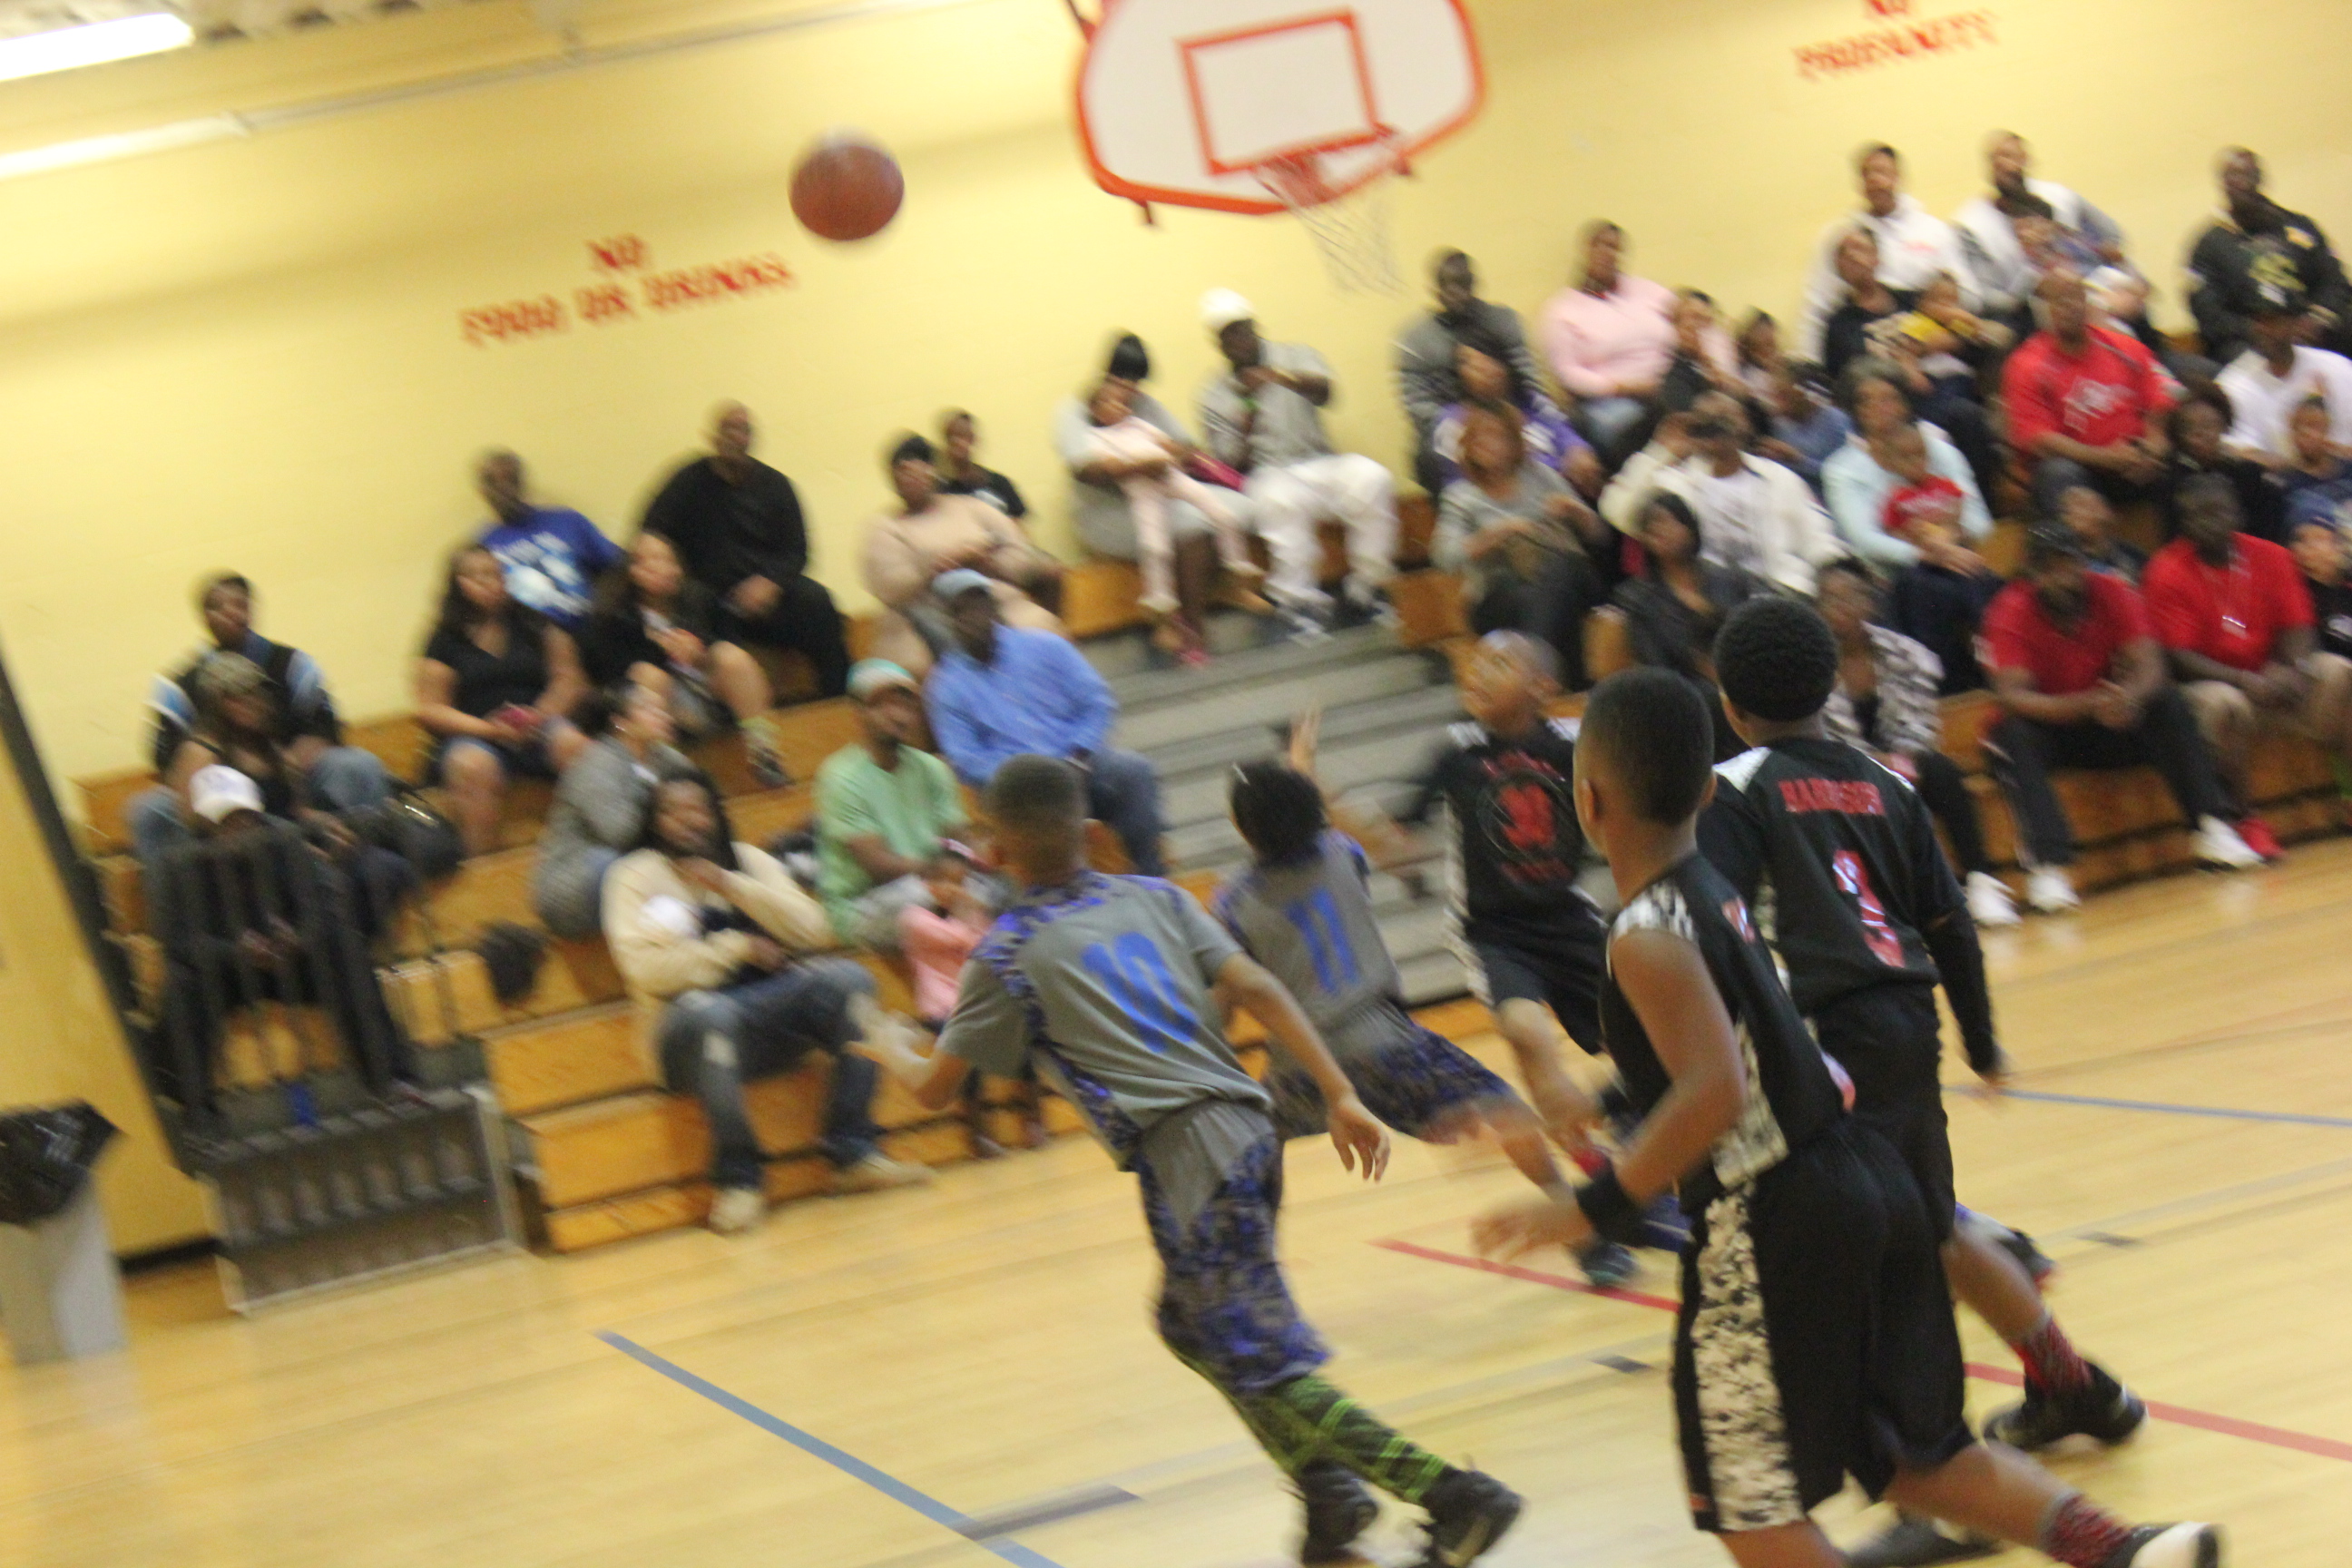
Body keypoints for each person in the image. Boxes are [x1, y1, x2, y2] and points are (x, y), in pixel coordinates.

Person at [1472, 668, 2222, 1568]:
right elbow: (1755, 1054)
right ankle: (2130, 1549)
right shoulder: (1718, 895)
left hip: (1772, 1217)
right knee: (1919, 1457)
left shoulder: (1644, 932)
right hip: (1865, 1176)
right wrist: (1599, 1104)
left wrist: (1593, 1207)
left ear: (1587, 803)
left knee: (1750, 1506)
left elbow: (1716, 1089)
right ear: (1708, 790)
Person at [856, 754, 1524, 1567]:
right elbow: (1262, 991)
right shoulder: (1158, 897)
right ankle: (1326, 1492)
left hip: (1186, 1155)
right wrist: (1340, 1093)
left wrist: (889, 1044)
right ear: (1091, 832)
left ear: (993, 851)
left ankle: (1454, 1497)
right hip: (1246, 1127)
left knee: (1261, 1360)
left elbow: (934, 1090)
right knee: (1187, 1323)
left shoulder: (1005, 955)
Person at [1703, 603, 2162, 1568]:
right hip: (1908, 1025)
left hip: (1822, 1046)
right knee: (1932, 1225)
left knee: (1877, 1257)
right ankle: (2068, 1386)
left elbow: (1722, 934)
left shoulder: (1734, 792)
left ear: (1728, 701)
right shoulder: (1884, 780)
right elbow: (1949, 922)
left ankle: (1938, 1485)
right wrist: (1982, 1041)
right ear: (1832, 683)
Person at [1219, 737, 1635, 1257]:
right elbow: (1342, 830)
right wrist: (1305, 772)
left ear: (1242, 827)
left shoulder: (1233, 901)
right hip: (1382, 1044)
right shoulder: (1341, 855)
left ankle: (1250, 1258)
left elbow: (1227, 995)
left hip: (1299, 1066)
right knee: (1506, 1109)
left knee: (1253, 1145)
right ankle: (1586, 1231)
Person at [1396, 633, 1638, 1286]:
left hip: (1569, 920)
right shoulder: (1456, 751)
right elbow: (1397, 838)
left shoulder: (1575, 745)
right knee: (1528, 1035)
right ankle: (1585, 1222)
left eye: (1499, 663)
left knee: (1640, 1046)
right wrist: (1324, 800)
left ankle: (1632, 1157)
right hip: (1495, 931)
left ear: (1540, 686)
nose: (1477, 671)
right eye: (1474, 662)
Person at [604, 774, 933, 1235]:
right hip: (683, 1035)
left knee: (850, 980)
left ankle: (854, 1152)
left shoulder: (747, 861)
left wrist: (731, 885)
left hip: (761, 1018)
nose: (685, 821)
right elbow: (646, 971)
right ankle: (739, 1181)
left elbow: (813, 929)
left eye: (695, 809)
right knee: (711, 1013)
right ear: (654, 822)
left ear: (715, 814)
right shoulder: (633, 877)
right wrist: (737, 947)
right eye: (670, 812)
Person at [1980, 526, 2260, 915]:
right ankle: (2048, 868)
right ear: (2032, 572)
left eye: (2069, 564)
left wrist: (2129, 698)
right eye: (2050, 568)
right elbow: (2013, 697)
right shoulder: (2010, 609)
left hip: (2110, 719)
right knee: (2011, 735)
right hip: (2054, 729)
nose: (2063, 577)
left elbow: (2151, 663)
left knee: (2167, 702)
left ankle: (2212, 827)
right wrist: (2088, 704)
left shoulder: (2112, 591)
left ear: (2082, 563)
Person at [147, 766, 416, 1129]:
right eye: (224, 822)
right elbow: (179, 942)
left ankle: (391, 1078)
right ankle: (195, 1115)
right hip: (228, 974)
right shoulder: (178, 862)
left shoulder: (286, 840)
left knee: (345, 950)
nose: (236, 830)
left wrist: (298, 938)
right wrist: (235, 952)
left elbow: (327, 904)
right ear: (204, 826)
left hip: (294, 961)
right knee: (182, 987)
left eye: (242, 818)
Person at [137, 654, 416, 940]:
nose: (249, 702)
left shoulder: (271, 748)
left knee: (386, 868)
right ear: (216, 704)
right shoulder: (200, 755)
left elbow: (298, 810)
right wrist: (296, 849)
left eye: (253, 693)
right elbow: (200, 831)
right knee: (327, 884)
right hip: (247, 866)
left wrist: (329, 826)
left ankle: (360, 944)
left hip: (292, 848)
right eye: (234, 697)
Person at [2145, 475, 2352, 857]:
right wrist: (2244, 679)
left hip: (2274, 678)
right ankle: (2246, 821)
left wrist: (2296, 668)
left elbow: (2299, 628)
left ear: (2237, 514)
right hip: (2211, 685)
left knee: (2338, 672)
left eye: (2217, 512)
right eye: (2195, 516)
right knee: (2224, 702)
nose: (2207, 523)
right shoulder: (2166, 570)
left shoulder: (2271, 556)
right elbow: (2180, 658)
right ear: (2184, 522)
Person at [1814, 560, 2019, 927]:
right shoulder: (1810, 667)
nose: (1840, 607)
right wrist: (1874, 764)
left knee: (1942, 772)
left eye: (1850, 597)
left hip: (1905, 765)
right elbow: (1821, 743)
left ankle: (1980, 881)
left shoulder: (1907, 654)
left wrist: (1898, 762)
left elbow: (1921, 728)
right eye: (1830, 599)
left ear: (1870, 602)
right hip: (1840, 776)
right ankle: (1872, 908)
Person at [923, 573, 1167, 876]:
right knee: (1028, 811)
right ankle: (1064, 889)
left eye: (977, 606)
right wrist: (1033, 775)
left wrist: (1079, 753)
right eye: (957, 611)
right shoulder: (945, 686)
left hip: (1079, 766)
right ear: (945, 621)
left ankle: (1151, 878)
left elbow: (1096, 701)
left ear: (994, 609)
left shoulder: (1047, 647)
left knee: (1131, 771)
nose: (969, 618)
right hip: (1017, 789)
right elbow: (966, 759)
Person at [137, 573, 393, 850]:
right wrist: (226, 780)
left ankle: (374, 850)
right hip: (217, 788)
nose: (230, 613)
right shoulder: (177, 685)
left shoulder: (293, 664)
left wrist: (283, 770)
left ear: (251, 608)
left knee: (357, 764)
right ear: (204, 616)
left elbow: (325, 727)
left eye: (239, 604)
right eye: (217, 607)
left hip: (292, 774)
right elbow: (166, 759)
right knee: (149, 808)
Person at [1197, 289, 1397, 639]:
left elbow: (1327, 394)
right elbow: (1229, 466)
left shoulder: (1295, 355)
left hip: (1320, 461)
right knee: (1280, 502)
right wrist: (1245, 426)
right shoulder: (1213, 395)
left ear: (1256, 328)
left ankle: (1368, 588)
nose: (1239, 341)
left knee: (1372, 477)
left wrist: (1279, 378)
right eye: (1229, 336)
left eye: (1243, 330)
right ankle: (1298, 603)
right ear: (1219, 344)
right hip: (1269, 474)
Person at [642, 402, 850, 700]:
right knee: (698, 606)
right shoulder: (685, 483)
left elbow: (798, 551)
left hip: (768, 599)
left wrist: (770, 582)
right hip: (709, 600)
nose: (734, 437)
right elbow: (650, 534)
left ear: (751, 438)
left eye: (742, 430)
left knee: (817, 602)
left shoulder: (776, 485)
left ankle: (838, 698)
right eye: (727, 429)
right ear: (711, 437)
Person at [1057, 334, 1242, 647]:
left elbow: (1185, 447)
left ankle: (1230, 587)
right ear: (1108, 374)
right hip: (1106, 512)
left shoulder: (1144, 405)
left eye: (1137, 384)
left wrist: (1175, 455)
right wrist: (1139, 466)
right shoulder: (1074, 409)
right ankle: (1189, 630)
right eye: (1125, 382)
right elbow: (1086, 470)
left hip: (1157, 493)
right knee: (1190, 530)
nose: (1132, 392)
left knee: (1225, 511)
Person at [415, 544, 590, 858]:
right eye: (476, 576)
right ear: (457, 584)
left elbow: (569, 678)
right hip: (474, 735)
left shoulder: (535, 623)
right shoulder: (443, 640)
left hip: (537, 725)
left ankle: (590, 845)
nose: (488, 583)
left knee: (574, 745)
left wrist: (539, 715)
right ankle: (482, 866)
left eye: (494, 574)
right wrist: (490, 730)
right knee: (473, 766)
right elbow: (431, 709)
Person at [575, 531, 788, 788]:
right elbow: (613, 675)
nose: (662, 568)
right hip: (660, 708)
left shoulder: (700, 598)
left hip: (709, 696)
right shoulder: (614, 616)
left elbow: (734, 643)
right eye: (652, 561)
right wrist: (658, 650)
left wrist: (699, 655)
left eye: (667, 560)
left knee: (729, 657)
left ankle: (764, 752)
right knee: (649, 675)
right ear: (633, 571)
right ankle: (667, 777)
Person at [1072, 380, 1264, 641]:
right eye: (1109, 403)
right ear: (1095, 410)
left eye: (1122, 402)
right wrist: (1144, 464)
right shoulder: (1096, 438)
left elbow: (1170, 446)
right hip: (1143, 490)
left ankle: (1237, 570)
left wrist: (1174, 455)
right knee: (1155, 547)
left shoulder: (1137, 424)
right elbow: (1111, 465)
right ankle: (1161, 603)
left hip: (1171, 477)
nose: (1119, 407)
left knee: (1223, 515)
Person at [858, 433, 1065, 675]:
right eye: (902, 473)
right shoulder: (885, 529)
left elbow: (1020, 557)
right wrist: (938, 567)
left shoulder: (972, 508)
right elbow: (891, 588)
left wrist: (984, 561)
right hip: (927, 616)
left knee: (1043, 631)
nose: (910, 479)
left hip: (996, 601)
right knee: (915, 663)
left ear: (933, 471)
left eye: (917, 471)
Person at [1433, 406, 1609, 686]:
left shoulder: (1540, 475)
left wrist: (1575, 510)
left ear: (1514, 442)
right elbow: (1444, 557)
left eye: (1497, 436)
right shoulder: (1461, 496)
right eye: (1478, 439)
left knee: (1558, 573)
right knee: (1532, 597)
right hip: (1500, 593)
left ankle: (1534, 680)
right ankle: (1566, 683)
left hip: (1562, 575)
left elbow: (1599, 535)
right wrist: (1493, 536)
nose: (1488, 445)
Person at [1601, 393, 1838, 594]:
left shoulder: (1779, 478)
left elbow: (1819, 539)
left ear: (1745, 425)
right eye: (1707, 422)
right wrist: (1661, 452)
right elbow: (1617, 511)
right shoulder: (1675, 485)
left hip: (1784, 590)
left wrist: (1835, 578)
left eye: (1726, 419)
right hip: (1711, 600)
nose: (1717, 428)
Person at [897, 843, 1042, 1160]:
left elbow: (992, 947)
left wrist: (973, 916)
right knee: (966, 1062)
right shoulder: (913, 918)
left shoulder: (971, 912)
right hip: (942, 1008)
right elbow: (963, 940)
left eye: (961, 882)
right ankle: (980, 1133)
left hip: (980, 1002)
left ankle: (1032, 1118)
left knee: (1024, 1038)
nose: (956, 889)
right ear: (928, 884)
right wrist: (970, 912)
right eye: (946, 882)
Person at [815, 660, 972, 951]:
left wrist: (956, 867)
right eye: (883, 705)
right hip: (865, 903)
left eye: (905, 705)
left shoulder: (932, 769)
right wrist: (938, 874)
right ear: (859, 712)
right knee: (920, 902)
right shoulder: (840, 777)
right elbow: (877, 866)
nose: (898, 714)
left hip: (933, 883)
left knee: (1000, 892)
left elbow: (959, 839)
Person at [1543, 220, 1731, 459]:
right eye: (1600, 245)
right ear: (1585, 250)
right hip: (1615, 400)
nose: (1607, 253)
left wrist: (1712, 364)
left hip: (1677, 380)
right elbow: (1568, 374)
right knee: (1663, 427)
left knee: (1728, 412)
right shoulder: (1562, 311)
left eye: (1614, 247)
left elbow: (1703, 320)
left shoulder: (1648, 292)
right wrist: (1625, 387)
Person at [2004, 271, 2176, 517]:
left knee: (2187, 450)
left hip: (2137, 459)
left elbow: (2160, 400)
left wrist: (2155, 444)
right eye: (2059, 300)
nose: (2070, 306)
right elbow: (2039, 440)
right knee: (2057, 472)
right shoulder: (2025, 365)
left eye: (2076, 297)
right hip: (2081, 468)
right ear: (2042, 310)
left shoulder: (2124, 346)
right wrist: (2103, 457)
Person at [533, 686, 697, 940]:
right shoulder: (595, 764)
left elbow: (703, 804)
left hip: (628, 871)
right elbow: (622, 833)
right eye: (648, 709)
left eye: (662, 709)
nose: (662, 715)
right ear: (622, 723)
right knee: (624, 865)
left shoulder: (667, 759)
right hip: (573, 888)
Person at [1610, 493, 1767, 757]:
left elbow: (1750, 635)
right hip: (1684, 692)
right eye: (1650, 526)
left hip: (1739, 675)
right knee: (1710, 697)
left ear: (1690, 527)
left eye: (1666, 521)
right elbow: (1656, 668)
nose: (1659, 530)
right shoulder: (1638, 598)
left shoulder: (1730, 581)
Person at [1797, 144, 1978, 364]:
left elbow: (1966, 291)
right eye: (1867, 173)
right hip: (1868, 342)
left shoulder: (1934, 231)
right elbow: (1817, 305)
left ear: (1898, 177)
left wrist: (1942, 317)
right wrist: (1809, 362)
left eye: (1882, 171)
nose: (1875, 179)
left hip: (1931, 336)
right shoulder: (1842, 238)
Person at [1396, 249, 1552, 491]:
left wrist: (1522, 418)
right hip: (1450, 422)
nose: (1456, 293)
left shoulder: (1502, 321)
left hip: (1511, 411)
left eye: (1463, 284)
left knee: (1558, 441)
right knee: (1430, 458)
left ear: (1475, 284)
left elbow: (1530, 383)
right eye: (1448, 286)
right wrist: (1468, 423)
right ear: (1434, 290)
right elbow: (1417, 406)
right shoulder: (1415, 339)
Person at [1821, 359, 1994, 573]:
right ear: (1854, 411)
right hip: (1891, 573)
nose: (1879, 408)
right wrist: (1924, 555)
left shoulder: (1941, 451)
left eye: (1888, 398)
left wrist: (1948, 540)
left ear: (1905, 403)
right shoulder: (1842, 470)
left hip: (1960, 555)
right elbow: (1864, 539)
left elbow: (1979, 520)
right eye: (1866, 401)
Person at [2186, 147, 2351, 365]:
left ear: (2261, 179)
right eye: (2234, 176)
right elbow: (2209, 313)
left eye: (2249, 174)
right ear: (2222, 184)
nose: (2242, 183)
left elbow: (2335, 281)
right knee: (2238, 356)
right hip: (2252, 338)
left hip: (2310, 326)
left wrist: (2317, 318)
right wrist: (2263, 330)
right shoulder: (2208, 246)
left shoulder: (2300, 226)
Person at [1955, 132, 2125, 323]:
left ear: (2026, 160)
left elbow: (2111, 237)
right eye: (1998, 158)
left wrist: (2106, 281)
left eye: (2013, 156)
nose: (2006, 165)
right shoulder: (1971, 226)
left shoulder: (2058, 197)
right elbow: (1985, 296)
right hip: (2025, 311)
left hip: (2089, 291)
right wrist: (2030, 292)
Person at [474, 449, 626, 633]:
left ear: (523, 483)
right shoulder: (482, 546)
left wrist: (602, 610)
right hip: (529, 641)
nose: (503, 489)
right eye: (492, 482)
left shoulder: (568, 521)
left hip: (589, 630)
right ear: (482, 490)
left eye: (511, 479)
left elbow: (620, 565)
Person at [1428, 335, 1600, 495]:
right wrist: (1552, 476)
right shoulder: (1452, 422)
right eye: (1468, 363)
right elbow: (1470, 478)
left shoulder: (1529, 399)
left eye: (1486, 358)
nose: (1481, 366)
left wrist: (1576, 450)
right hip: (1500, 502)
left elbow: (1562, 430)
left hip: (1562, 485)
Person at [2215, 295, 2352, 466]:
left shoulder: (2337, 367)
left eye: (2272, 321)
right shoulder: (2233, 384)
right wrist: (2302, 465)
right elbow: (2238, 452)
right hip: (2284, 480)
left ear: (2297, 324)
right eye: (2257, 320)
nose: (2262, 329)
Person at [1886, 508, 2004, 698]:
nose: (1933, 535)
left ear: (1959, 531)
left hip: (1985, 681)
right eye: (1926, 531)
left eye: (1939, 526)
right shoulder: (1910, 581)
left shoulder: (1982, 574)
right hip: (1938, 686)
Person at [2159, 387, 2287, 544]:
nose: (2200, 434)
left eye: (2208, 425)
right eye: (2189, 428)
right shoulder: (2170, 480)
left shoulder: (2246, 474)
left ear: (2224, 425)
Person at [1819, 229, 1916, 381]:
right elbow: (1840, 380)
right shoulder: (1839, 327)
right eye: (1843, 252)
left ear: (1876, 258)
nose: (1851, 255)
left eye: (1859, 248)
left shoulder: (1911, 300)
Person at [1754, 359, 1853, 496]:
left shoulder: (1835, 421)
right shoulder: (1778, 425)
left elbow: (1846, 474)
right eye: (1774, 396)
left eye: (1784, 396)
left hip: (1829, 499)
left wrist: (1799, 459)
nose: (1777, 404)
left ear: (1804, 393)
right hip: (1790, 499)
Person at [934, 409, 1029, 524]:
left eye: (963, 435)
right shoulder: (939, 490)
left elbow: (1019, 529)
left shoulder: (1000, 484)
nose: (957, 442)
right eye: (951, 437)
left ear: (974, 439)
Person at [2277, 397, 2352, 530]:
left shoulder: (2348, 470)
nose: (2308, 434)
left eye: (2315, 426)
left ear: (2328, 429)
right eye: (2299, 427)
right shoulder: (2283, 482)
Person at [2059, 485, 2150, 584]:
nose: (2090, 515)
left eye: (2093, 507)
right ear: (2065, 519)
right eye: (2080, 506)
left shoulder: (2130, 554)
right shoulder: (2067, 561)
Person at [2291, 516, 2352, 661]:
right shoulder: (2295, 591)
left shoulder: (2346, 594)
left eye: (2319, 539)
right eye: (2302, 540)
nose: (2312, 546)